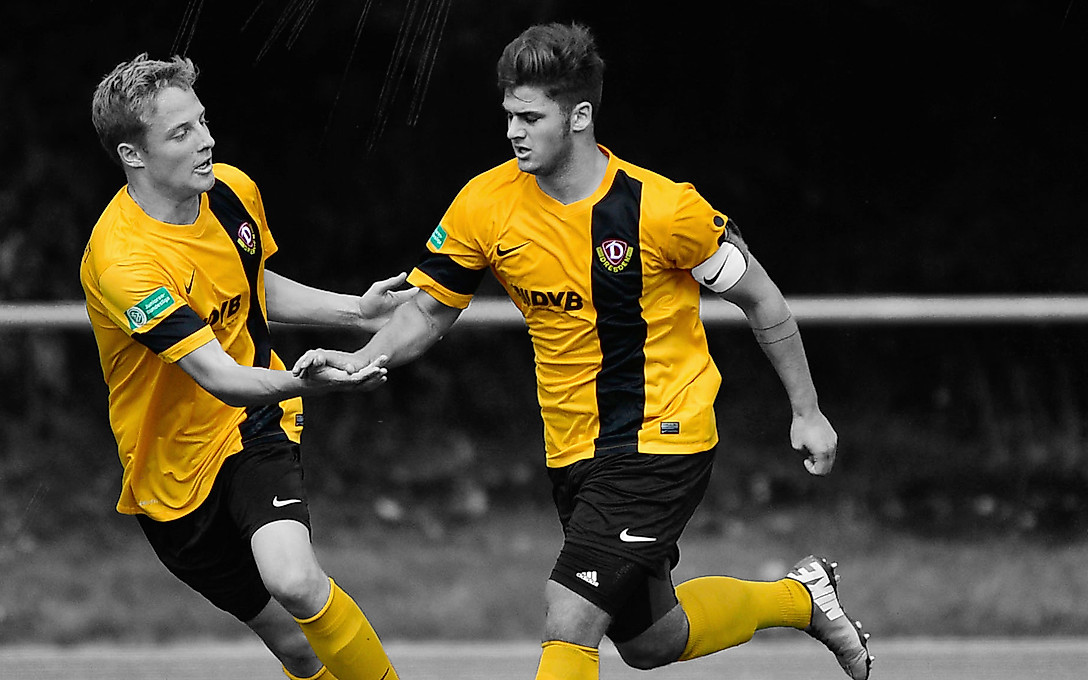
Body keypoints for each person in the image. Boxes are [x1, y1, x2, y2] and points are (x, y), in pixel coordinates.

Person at [293, 22, 874, 680]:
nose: (513, 132)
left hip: (662, 436)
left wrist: (807, 411)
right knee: (653, 641)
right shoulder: (485, 204)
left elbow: (762, 299)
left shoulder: (663, 209)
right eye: (508, 115)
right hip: (573, 449)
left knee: (569, 615)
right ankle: (803, 598)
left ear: (579, 116)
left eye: (530, 117)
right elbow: (429, 309)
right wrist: (360, 358)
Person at [80, 53, 404, 680]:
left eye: (202, 121)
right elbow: (217, 375)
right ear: (132, 156)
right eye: (181, 132)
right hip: (168, 474)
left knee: (296, 580)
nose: (206, 140)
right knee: (299, 650)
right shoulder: (124, 260)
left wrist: (356, 311)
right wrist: (311, 382)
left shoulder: (230, 190)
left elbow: (252, 285)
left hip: (253, 424)